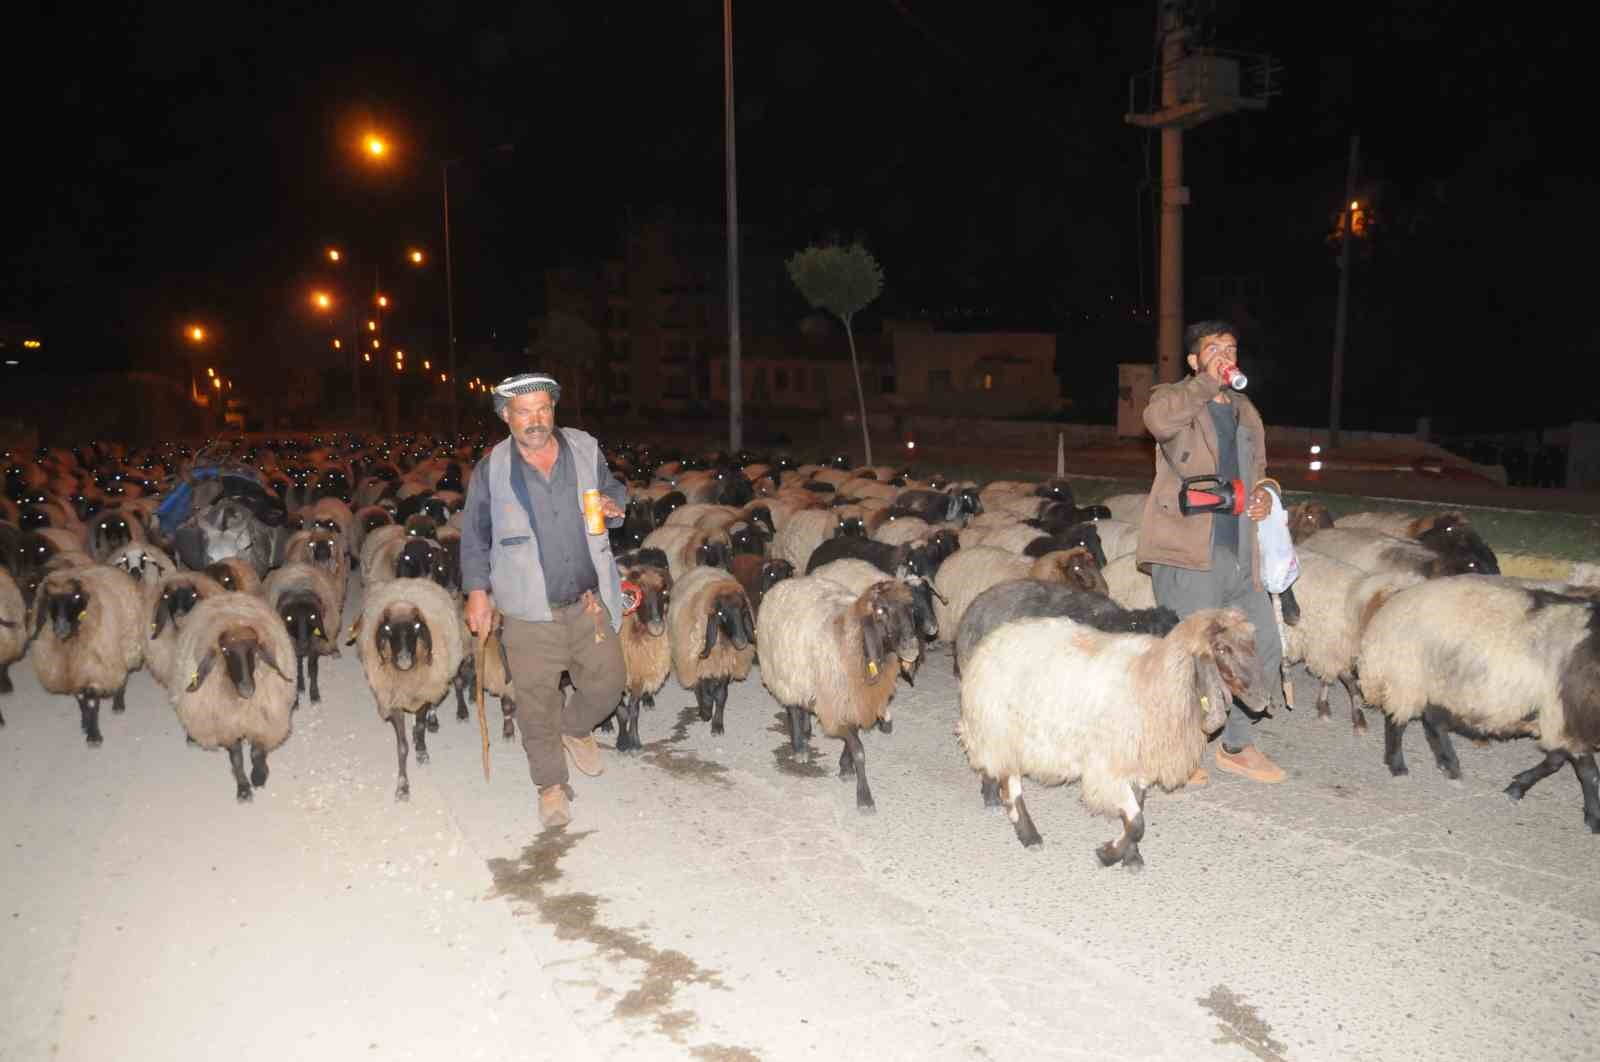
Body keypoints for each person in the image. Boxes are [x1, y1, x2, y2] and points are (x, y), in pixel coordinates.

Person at [461, 372, 630, 827]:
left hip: (587, 601)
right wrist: (477, 593)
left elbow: (613, 487)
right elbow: (475, 536)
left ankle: (575, 728)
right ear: (505, 416)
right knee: (535, 703)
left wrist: (614, 504)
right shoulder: (492, 468)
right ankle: (551, 787)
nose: (535, 420)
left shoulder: (582, 448)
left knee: (608, 684)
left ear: (553, 409)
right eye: (523, 412)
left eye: (543, 409)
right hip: (528, 610)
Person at [1136, 322, 1287, 784]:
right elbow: (1158, 423)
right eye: (1213, 349)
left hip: (1241, 548)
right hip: (1187, 549)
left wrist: (1265, 495)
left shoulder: (1245, 410)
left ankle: (1238, 744)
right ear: (1193, 361)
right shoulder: (1174, 396)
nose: (1225, 354)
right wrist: (1208, 381)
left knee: (1263, 644)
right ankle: (1178, 750)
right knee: (1189, 657)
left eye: (1231, 348)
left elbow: (1258, 471)